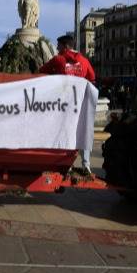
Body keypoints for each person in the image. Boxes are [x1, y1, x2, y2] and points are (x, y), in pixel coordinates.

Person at [39, 35, 96, 174]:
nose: (57, 49)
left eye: (58, 46)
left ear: (65, 46)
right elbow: (92, 78)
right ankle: (86, 165)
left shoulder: (58, 59)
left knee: (66, 133)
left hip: (63, 105)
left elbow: (41, 71)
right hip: (81, 104)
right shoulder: (84, 61)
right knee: (84, 131)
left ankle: (67, 165)